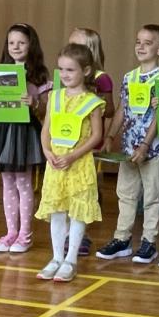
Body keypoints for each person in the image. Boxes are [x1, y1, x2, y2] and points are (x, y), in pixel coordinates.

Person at [97, 24, 159, 264]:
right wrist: (110, 136)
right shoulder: (130, 77)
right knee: (126, 194)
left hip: (152, 150)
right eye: (138, 41)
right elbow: (122, 109)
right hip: (128, 149)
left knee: (152, 197)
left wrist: (146, 144)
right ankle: (122, 239)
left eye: (147, 43)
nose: (141, 46)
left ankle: (149, 242)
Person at [34, 44, 106, 282]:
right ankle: (56, 258)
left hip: (78, 165)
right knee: (57, 211)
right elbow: (46, 129)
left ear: (86, 71)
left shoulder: (92, 102)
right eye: (61, 69)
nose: (64, 74)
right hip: (56, 164)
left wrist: (74, 156)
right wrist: (47, 151)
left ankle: (70, 260)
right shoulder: (54, 97)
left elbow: (97, 135)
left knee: (77, 212)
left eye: (70, 70)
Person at [0, 23, 51, 254]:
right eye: (11, 42)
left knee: (23, 182)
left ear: (31, 45)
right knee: (7, 182)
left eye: (21, 42)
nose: (16, 47)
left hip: (24, 132)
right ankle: (11, 232)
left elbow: (47, 110)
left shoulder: (39, 76)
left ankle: (25, 234)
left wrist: (34, 103)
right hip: (2, 130)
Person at [66, 27, 115, 258]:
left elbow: (110, 110)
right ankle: (68, 232)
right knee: (67, 188)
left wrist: (94, 99)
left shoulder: (100, 78)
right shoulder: (66, 74)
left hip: (88, 142)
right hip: (67, 141)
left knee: (86, 188)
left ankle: (82, 234)